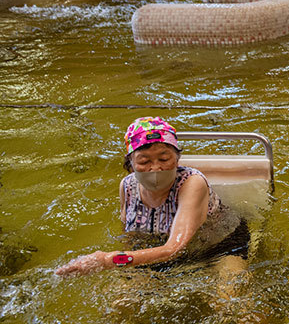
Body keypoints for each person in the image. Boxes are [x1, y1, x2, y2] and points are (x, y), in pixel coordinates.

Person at [56, 117, 251, 277]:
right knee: (122, 303)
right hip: (160, 252)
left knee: (231, 303)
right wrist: (125, 268)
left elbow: (175, 248)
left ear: (177, 159)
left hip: (221, 246)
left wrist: (109, 260)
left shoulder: (192, 183)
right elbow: (129, 235)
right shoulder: (127, 186)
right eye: (144, 161)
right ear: (130, 164)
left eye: (164, 159)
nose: (155, 167)